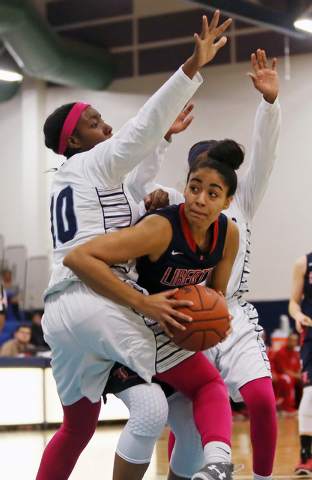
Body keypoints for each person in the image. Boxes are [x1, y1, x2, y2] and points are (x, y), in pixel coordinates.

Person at [36, 12, 233, 480]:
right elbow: (140, 130)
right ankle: (216, 460)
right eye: (94, 121)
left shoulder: (79, 181)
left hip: (60, 315)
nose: (105, 126)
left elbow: (136, 179)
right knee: (200, 384)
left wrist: (160, 152)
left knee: (78, 427)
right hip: (97, 297)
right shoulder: (94, 162)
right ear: (74, 140)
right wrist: (191, 68)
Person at [128, 49, 281, 480]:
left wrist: (269, 105)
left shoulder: (240, 203)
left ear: (228, 191)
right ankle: (189, 472)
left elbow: (265, 157)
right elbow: (139, 184)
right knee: (189, 406)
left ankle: (262, 478)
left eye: (219, 179)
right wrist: (162, 139)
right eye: (200, 175)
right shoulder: (179, 202)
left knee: (263, 401)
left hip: (228, 311)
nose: (206, 189)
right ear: (191, 176)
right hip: (180, 310)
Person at [64, 143, 240, 480]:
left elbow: (216, 295)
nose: (200, 199)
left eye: (212, 193)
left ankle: (217, 465)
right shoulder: (160, 229)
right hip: (124, 328)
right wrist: (145, 302)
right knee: (151, 412)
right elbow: (78, 258)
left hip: (165, 331)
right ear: (185, 187)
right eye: (194, 188)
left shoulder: (227, 234)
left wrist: (217, 319)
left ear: (227, 202)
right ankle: (219, 462)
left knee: (191, 424)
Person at [289, 254, 312, 473]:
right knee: (311, 392)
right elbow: (294, 303)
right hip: (311, 332)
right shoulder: (304, 263)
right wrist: (297, 316)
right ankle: (306, 456)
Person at [272, 333, 302, 410]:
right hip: (280, 375)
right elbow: (283, 370)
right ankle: (289, 405)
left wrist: (300, 375)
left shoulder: (295, 354)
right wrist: (297, 376)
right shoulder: (281, 352)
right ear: (287, 341)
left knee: (305, 380)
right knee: (289, 379)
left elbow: (298, 368)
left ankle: (301, 405)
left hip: (293, 375)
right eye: (291, 340)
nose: (292, 343)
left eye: (295, 341)